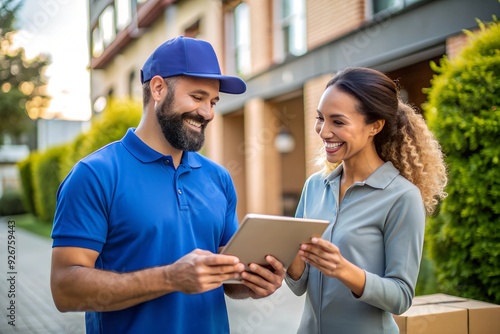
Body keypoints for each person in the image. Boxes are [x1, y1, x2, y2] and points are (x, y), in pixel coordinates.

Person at [50, 36, 285, 334]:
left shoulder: (218, 178)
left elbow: (227, 279)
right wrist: (170, 279)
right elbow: (64, 289)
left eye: (213, 102)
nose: (207, 113)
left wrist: (253, 282)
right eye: (198, 97)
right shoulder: (95, 174)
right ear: (158, 88)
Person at [285, 67, 448, 333]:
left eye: (338, 122)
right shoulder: (315, 186)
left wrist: (343, 270)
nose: (324, 132)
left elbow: (401, 297)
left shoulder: (402, 197)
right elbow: (300, 283)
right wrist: (283, 254)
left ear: (375, 126)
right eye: (320, 119)